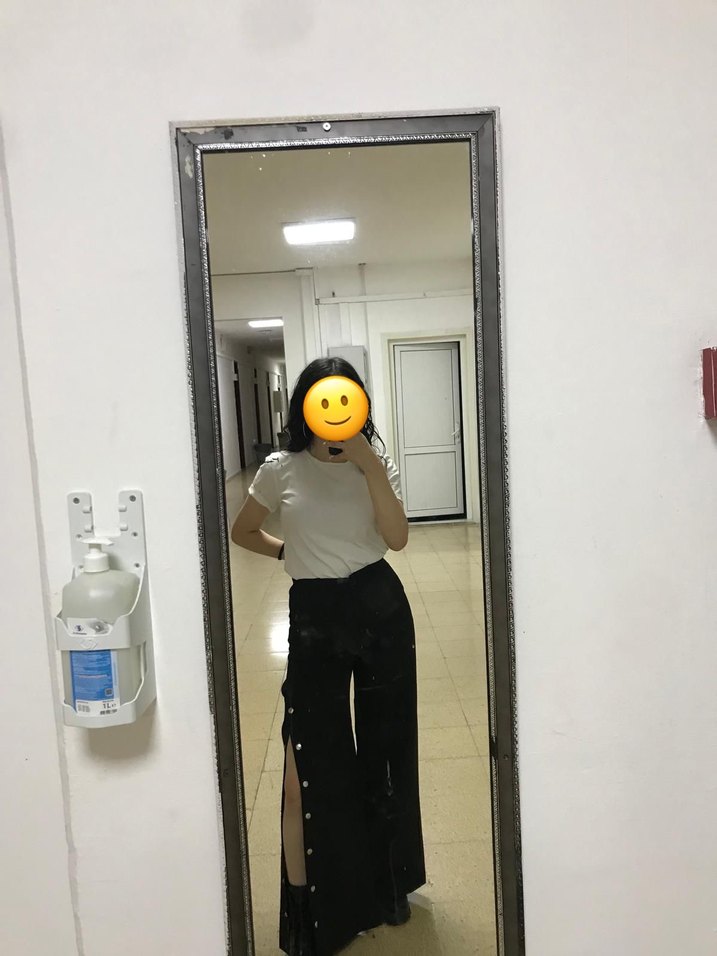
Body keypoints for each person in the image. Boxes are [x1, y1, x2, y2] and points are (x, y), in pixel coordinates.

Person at [231, 357, 426, 956]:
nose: (334, 414)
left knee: (386, 751)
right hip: (315, 615)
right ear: (305, 407)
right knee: (312, 762)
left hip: (379, 604)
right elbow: (242, 530)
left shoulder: (376, 463)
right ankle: (317, 906)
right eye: (322, 400)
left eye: (346, 401)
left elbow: (397, 538)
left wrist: (371, 467)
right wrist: (290, 552)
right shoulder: (280, 469)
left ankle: (389, 885)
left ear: (359, 405)